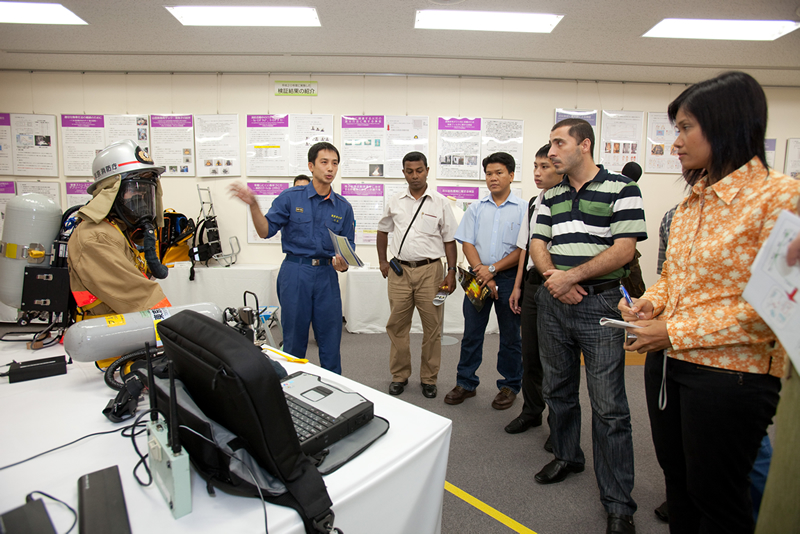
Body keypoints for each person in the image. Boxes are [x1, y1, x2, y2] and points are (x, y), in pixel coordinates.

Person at [619, 71, 800, 534]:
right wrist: (649, 305)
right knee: (678, 489)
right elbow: (673, 280)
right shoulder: (689, 204)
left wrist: (673, 330)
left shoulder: (783, 198)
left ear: (726, 124)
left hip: (730, 375)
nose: (674, 142)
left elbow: (773, 307)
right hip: (669, 365)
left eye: (684, 127)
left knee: (717, 497)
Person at [531, 118, 646, 534]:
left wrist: (571, 277)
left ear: (585, 145)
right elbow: (538, 244)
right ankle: (567, 455)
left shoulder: (621, 188)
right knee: (556, 389)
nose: (551, 152)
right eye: (549, 144)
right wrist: (554, 280)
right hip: (555, 302)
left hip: (600, 303)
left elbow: (624, 250)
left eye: (559, 143)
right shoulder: (551, 194)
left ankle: (618, 502)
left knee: (610, 407)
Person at [230, 142, 354, 374]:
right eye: (324, 162)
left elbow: (348, 251)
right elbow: (265, 231)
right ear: (311, 166)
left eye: (335, 163)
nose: (330, 168)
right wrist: (254, 205)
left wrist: (342, 264)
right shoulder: (290, 198)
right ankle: (292, 390)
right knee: (294, 341)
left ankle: (335, 390)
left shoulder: (344, 207)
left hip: (327, 276)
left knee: (330, 339)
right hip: (296, 273)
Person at [444, 152, 526, 411]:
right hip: (477, 278)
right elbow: (467, 242)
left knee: (511, 336)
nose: (493, 178)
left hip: (510, 279)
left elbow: (523, 249)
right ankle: (466, 383)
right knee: (471, 332)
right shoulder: (476, 208)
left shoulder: (524, 209)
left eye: (499, 172)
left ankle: (509, 385)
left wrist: (492, 270)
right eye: (489, 173)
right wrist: (482, 272)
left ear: (511, 175)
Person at [376, 151, 458, 399]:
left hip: (432, 272)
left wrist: (451, 271)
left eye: (419, 170)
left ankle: (429, 378)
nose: (414, 175)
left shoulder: (441, 202)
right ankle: (399, 375)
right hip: (399, 272)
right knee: (397, 326)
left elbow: (450, 241)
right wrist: (382, 260)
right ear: (404, 173)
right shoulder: (394, 201)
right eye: (409, 171)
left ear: (427, 170)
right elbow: (382, 231)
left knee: (432, 328)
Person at [68, 139, 171, 317]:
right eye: (134, 190)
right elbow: (140, 298)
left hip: (124, 328)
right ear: (110, 191)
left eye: (145, 191)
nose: (141, 198)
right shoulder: (96, 236)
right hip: (109, 334)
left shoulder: (117, 230)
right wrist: (178, 330)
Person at [505, 143, 561, 441]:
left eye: (545, 167)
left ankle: (559, 423)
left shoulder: (567, 201)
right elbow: (524, 249)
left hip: (557, 287)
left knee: (555, 358)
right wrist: (517, 287)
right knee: (530, 354)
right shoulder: (533, 202)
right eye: (535, 167)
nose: (538, 173)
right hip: (531, 285)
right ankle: (531, 411)